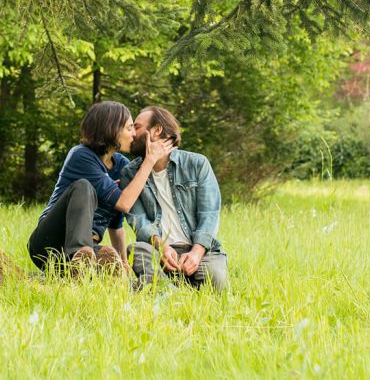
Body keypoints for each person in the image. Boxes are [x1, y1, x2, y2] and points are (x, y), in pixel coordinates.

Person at [28, 100, 174, 274]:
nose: (134, 134)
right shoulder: (81, 155)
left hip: (90, 246)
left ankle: (85, 266)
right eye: (129, 128)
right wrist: (149, 160)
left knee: (108, 256)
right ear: (111, 130)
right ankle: (79, 256)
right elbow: (124, 203)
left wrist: (123, 263)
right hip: (48, 243)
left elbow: (116, 224)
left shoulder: (121, 166)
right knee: (83, 187)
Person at [120, 105, 228, 291]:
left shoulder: (196, 163)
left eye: (136, 127)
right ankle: (171, 291)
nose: (131, 133)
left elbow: (209, 214)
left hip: (198, 250)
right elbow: (138, 220)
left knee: (216, 282)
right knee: (136, 250)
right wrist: (162, 248)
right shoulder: (130, 173)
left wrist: (196, 253)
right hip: (157, 250)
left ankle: (164, 287)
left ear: (156, 130)